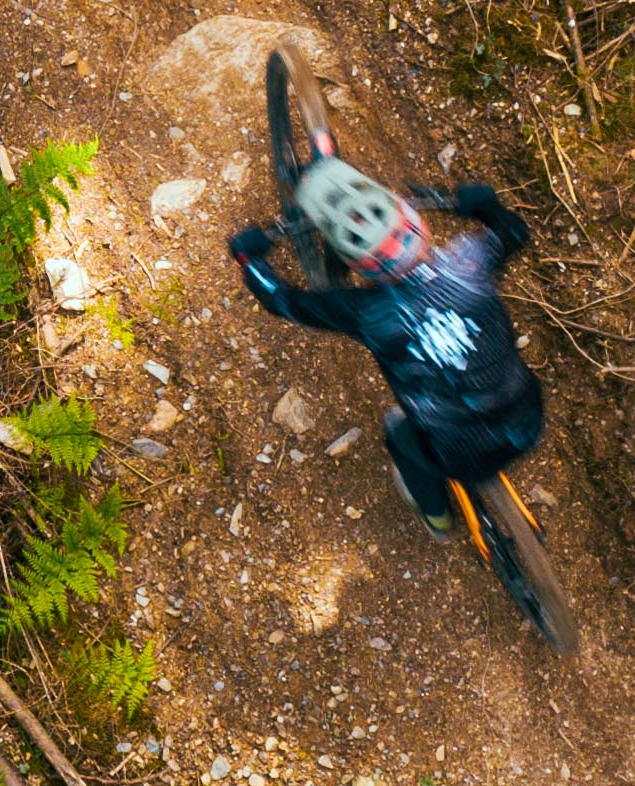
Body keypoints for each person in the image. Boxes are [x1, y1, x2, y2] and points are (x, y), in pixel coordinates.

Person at [226, 155, 544, 547]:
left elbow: (282, 300)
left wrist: (248, 258)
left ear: (359, 264)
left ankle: (437, 518)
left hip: (460, 454)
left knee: (398, 428)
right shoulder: (470, 261)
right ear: (416, 221)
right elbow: (514, 232)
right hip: (528, 419)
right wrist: (484, 205)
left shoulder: (365, 312)